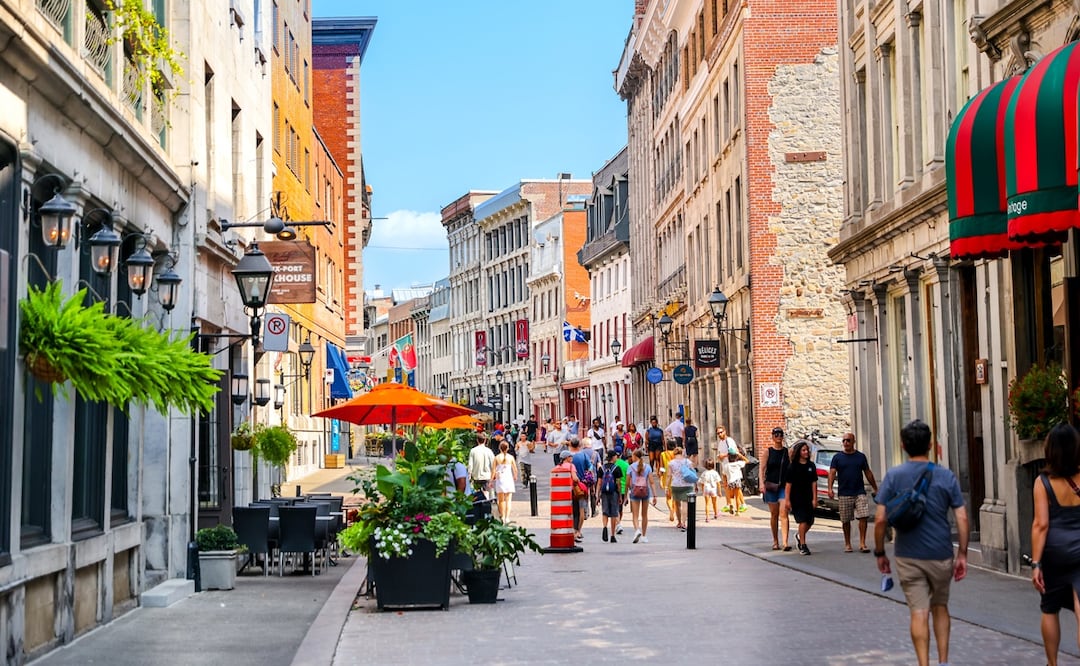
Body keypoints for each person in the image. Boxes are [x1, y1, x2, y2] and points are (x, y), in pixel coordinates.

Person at [874, 419, 968, 666]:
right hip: (940, 553)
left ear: (903, 445)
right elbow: (962, 516)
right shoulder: (946, 476)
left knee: (918, 611)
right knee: (940, 606)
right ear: (930, 444)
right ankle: (944, 661)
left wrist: (880, 553)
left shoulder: (894, 476)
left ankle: (923, 663)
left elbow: (881, 518)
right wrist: (963, 555)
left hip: (908, 555)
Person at [1030, 423, 1080, 666]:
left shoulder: (1043, 482)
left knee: (1050, 608)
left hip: (1054, 553)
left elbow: (1041, 524)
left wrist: (1036, 563)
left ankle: (1052, 663)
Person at [828, 431, 879, 553]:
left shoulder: (860, 457)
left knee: (863, 516)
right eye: (844, 441)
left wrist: (875, 487)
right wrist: (830, 488)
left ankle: (862, 543)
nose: (846, 443)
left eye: (848, 440)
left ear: (853, 442)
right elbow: (832, 473)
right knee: (846, 520)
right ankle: (848, 543)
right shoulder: (837, 457)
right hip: (844, 492)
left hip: (859, 491)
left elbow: (868, 472)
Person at [784, 440, 818, 555]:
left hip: (808, 496)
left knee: (810, 520)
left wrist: (814, 498)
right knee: (802, 520)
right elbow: (788, 485)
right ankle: (803, 545)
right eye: (803, 450)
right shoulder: (792, 467)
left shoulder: (811, 466)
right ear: (799, 452)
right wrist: (787, 500)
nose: (806, 452)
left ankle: (799, 535)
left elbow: (814, 483)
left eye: (807, 450)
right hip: (797, 497)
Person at [762, 426, 791, 550]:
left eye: (780, 434)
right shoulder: (768, 452)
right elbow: (762, 468)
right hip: (771, 485)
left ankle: (785, 542)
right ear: (772, 436)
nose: (778, 436)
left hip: (784, 486)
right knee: (774, 514)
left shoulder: (787, 452)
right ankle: (775, 540)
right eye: (776, 434)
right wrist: (761, 484)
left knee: (783, 513)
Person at [626, 448, 658, 543]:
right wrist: (655, 495)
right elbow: (652, 482)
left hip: (635, 491)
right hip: (645, 491)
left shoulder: (630, 467)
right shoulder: (647, 467)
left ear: (635, 456)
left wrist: (625, 493)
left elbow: (627, 483)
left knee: (635, 515)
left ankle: (637, 530)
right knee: (644, 515)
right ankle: (644, 536)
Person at [568, 437, 592, 541]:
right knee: (582, 509)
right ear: (579, 446)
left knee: (573, 509)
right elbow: (590, 468)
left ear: (570, 445)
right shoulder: (583, 455)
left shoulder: (567, 456)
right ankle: (579, 531)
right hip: (582, 486)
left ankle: (573, 529)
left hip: (570, 486)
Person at [665, 447, 694, 531]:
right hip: (687, 484)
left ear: (674, 454)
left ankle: (679, 522)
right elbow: (692, 473)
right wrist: (695, 484)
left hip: (676, 485)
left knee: (677, 505)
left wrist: (667, 487)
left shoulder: (671, 463)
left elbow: (668, 475)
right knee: (685, 504)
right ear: (682, 453)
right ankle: (684, 523)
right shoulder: (688, 462)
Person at [599, 450, 624, 542]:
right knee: (614, 513)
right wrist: (620, 496)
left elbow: (599, 483)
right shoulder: (617, 468)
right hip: (614, 493)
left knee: (605, 511)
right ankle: (612, 535)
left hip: (604, 492)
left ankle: (605, 527)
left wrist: (598, 495)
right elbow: (618, 483)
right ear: (613, 457)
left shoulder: (601, 468)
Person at [493, 441, 518, 522]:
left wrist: (490, 480)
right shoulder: (511, 457)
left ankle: (502, 516)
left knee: (501, 500)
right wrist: (515, 476)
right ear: (507, 448)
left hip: (500, 479)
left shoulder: (496, 458)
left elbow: (493, 470)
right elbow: (515, 469)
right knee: (508, 499)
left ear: (499, 448)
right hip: (508, 478)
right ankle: (507, 517)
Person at [722, 449, 749, 514]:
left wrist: (724, 482)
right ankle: (738, 511)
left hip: (730, 481)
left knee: (729, 495)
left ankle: (729, 504)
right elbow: (747, 461)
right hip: (737, 481)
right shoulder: (738, 464)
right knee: (737, 497)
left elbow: (724, 475)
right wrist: (740, 455)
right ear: (736, 457)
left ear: (728, 457)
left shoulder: (726, 466)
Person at [614, 449, 631, 535]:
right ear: (621, 454)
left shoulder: (613, 464)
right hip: (624, 489)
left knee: (615, 508)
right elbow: (629, 479)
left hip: (615, 489)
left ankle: (618, 524)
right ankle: (618, 523)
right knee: (620, 509)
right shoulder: (626, 464)